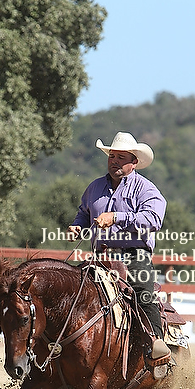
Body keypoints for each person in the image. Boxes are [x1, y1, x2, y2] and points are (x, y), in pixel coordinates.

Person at [68, 131, 171, 370]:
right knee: (75, 291)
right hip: (100, 256)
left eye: (121, 157)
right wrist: (78, 226)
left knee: (143, 293)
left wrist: (116, 217)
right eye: (111, 156)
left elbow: (153, 219)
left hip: (134, 255)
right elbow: (84, 212)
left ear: (134, 162)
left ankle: (156, 345)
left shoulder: (146, 189)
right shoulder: (94, 188)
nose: (114, 161)